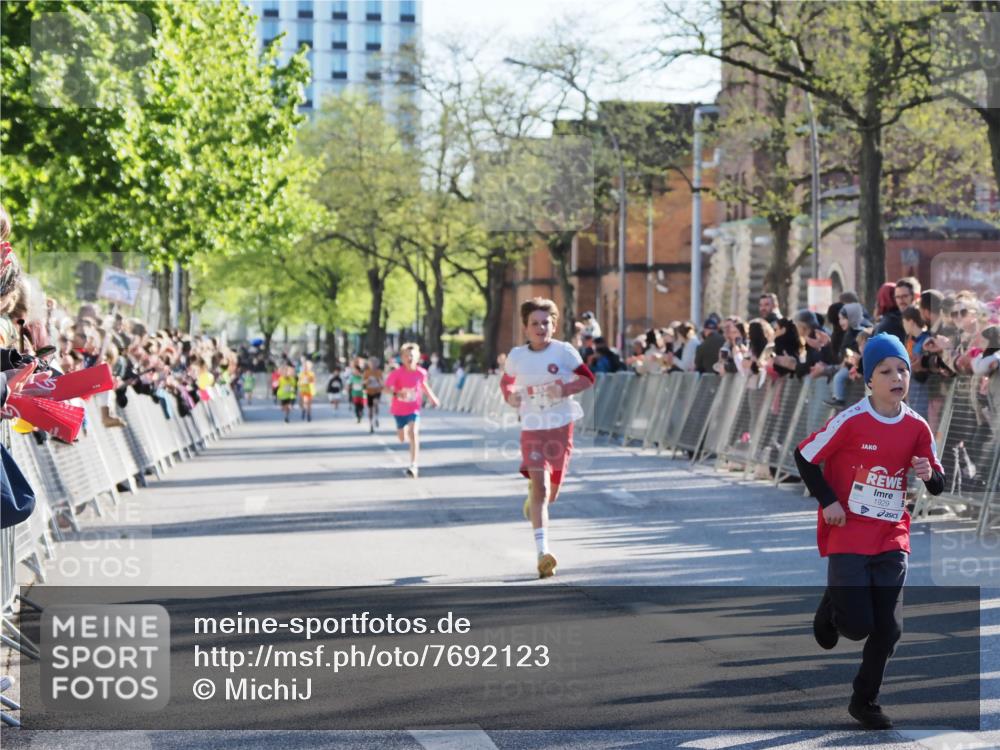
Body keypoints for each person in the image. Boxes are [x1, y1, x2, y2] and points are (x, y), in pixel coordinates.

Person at [794, 333, 945, 730]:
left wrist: (930, 476)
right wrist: (828, 501)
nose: (897, 377)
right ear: (869, 380)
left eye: (903, 369)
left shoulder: (916, 426)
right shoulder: (850, 421)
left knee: (889, 628)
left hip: (891, 533)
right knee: (856, 626)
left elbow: (937, 479)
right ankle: (833, 605)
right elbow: (805, 456)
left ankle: (865, 701)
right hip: (847, 530)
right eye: (886, 370)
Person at [499, 297, 595, 579]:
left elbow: (588, 378)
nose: (541, 328)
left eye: (546, 323)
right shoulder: (517, 355)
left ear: (554, 325)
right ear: (525, 328)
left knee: (549, 494)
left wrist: (563, 390)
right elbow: (506, 382)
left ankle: (534, 501)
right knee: (539, 486)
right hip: (532, 426)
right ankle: (543, 553)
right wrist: (510, 396)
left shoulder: (564, 351)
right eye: (535, 324)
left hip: (561, 424)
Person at [384, 343, 439, 478]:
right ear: (402, 358)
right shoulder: (396, 373)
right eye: (407, 356)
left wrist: (433, 398)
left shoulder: (421, 372)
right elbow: (386, 388)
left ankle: (414, 465)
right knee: (402, 437)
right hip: (398, 410)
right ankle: (401, 431)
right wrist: (397, 394)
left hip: (413, 409)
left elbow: (424, 385)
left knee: (414, 433)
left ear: (418, 357)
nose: (410, 358)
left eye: (412, 356)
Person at [363, 356, 384, 433]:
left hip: (377, 391)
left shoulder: (379, 372)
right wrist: (368, 380)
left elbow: (382, 382)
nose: (373, 365)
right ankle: (371, 424)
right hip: (369, 392)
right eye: (371, 363)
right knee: (370, 409)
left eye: (374, 363)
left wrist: (379, 380)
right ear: (369, 364)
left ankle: (376, 418)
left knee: (376, 403)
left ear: (377, 364)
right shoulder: (367, 372)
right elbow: (363, 382)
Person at [349, 358, 366, 423]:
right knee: (356, 406)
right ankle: (358, 417)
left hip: (361, 394)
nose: (355, 372)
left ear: (359, 371)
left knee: (361, 406)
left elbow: (365, 384)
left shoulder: (362, 377)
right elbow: (349, 384)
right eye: (354, 371)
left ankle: (361, 413)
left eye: (356, 371)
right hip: (355, 394)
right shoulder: (352, 377)